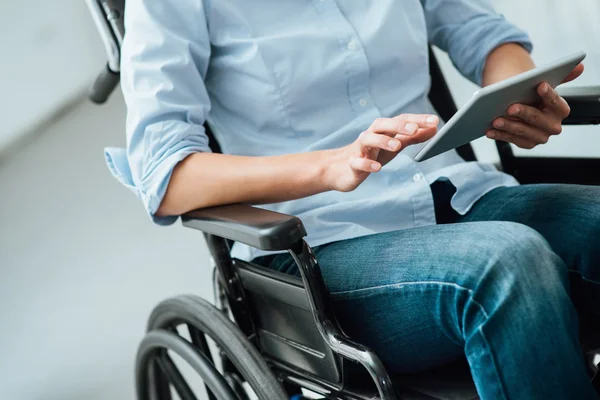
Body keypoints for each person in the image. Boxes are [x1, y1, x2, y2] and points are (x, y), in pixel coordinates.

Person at [105, 0, 600, 398]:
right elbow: (164, 175)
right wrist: (330, 165)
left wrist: (518, 98)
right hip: (317, 247)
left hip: (446, 194)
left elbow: (488, 37)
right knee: (508, 262)